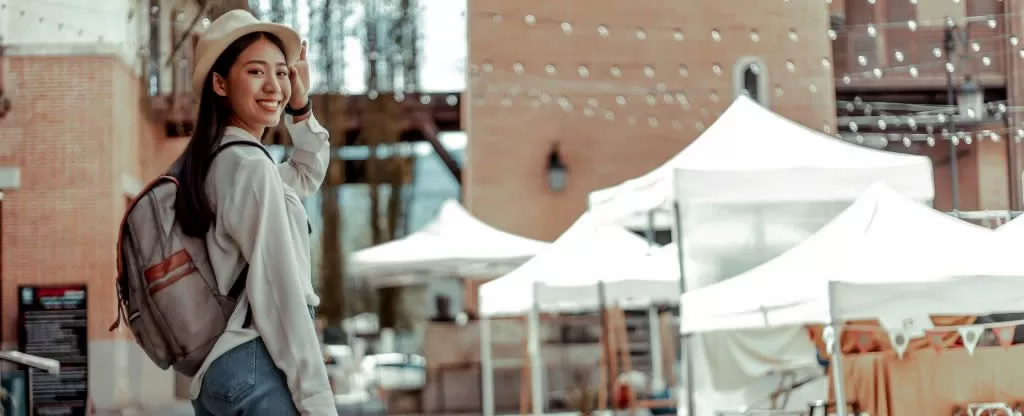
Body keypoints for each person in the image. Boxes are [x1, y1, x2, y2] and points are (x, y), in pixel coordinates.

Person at [174, 10, 337, 416]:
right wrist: (317, 401)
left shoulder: (220, 161)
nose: (274, 86)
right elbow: (280, 296)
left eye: (282, 73)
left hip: (223, 370)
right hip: (256, 363)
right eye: (256, 72)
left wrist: (300, 107)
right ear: (220, 83)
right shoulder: (249, 167)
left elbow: (304, 172)